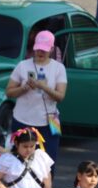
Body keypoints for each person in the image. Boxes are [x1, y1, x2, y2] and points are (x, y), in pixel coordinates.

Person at [5, 31, 67, 161]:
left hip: (50, 120)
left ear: (51, 49)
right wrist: (24, 88)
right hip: (22, 119)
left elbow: (60, 97)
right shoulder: (22, 65)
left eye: (44, 50)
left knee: (48, 160)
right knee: (18, 160)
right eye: (38, 49)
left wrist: (44, 87)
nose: (40, 52)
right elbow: (9, 92)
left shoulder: (59, 68)